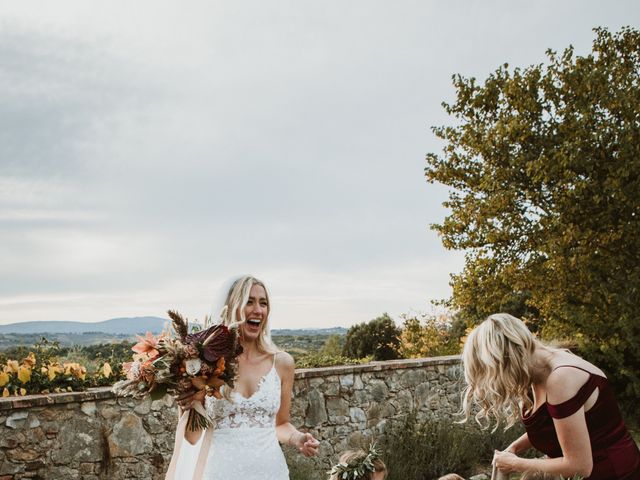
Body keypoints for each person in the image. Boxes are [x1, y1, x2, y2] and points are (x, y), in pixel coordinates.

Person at [165, 275, 319, 480]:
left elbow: (280, 424)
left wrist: (297, 438)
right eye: (249, 301)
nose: (258, 309)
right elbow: (192, 438)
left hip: (271, 472)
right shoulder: (206, 365)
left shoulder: (282, 363)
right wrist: (186, 406)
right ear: (231, 308)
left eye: (263, 303)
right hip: (219, 472)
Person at [461, 313, 640, 480]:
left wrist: (515, 464)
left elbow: (580, 465)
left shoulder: (561, 378)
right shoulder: (538, 372)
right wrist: (514, 447)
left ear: (505, 358)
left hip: (616, 473)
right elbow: (556, 426)